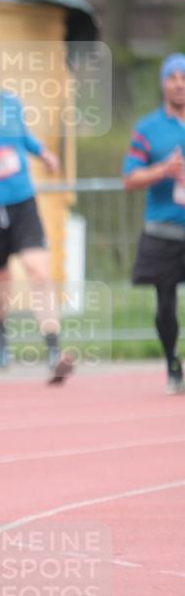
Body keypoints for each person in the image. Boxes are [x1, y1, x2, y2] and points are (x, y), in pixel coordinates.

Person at [0, 49, 72, 382]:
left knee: (38, 270)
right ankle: (0, 328)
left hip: (21, 200)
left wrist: (45, 153)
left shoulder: (11, 104)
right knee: (2, 281)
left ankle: (53, 348)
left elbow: (24, 137)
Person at [122, 53, 185, 394]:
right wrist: (164, 170)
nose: (179, 84)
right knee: (165, 305)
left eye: (184, 78)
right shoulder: (148, 129)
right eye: (173, 77)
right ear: (163, 83)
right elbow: (129, 178)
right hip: (164, 230)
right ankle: (173, 363)